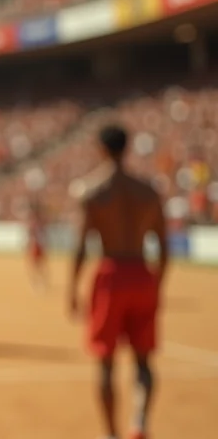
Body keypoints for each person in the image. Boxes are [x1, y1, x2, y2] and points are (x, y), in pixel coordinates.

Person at [69, 125, 168, 439]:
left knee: (106, 363)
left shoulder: (94, 191)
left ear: (101, 148)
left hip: (111, 274)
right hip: (142, 273)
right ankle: (139, 423)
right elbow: (165, 248)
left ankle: (111, 434)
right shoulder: (148, 191)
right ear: (127, 148)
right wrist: (158, 285)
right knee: (143, 361)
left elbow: (82, 245)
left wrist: (72, 288)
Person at [26, 196, 48, 293]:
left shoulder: (39, 223)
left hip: (39, 245)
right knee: (35, 266)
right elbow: (30, 234)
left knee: (40, 266)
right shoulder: (34, 223)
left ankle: (40, 282)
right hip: (35, 245)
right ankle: (35, 283)